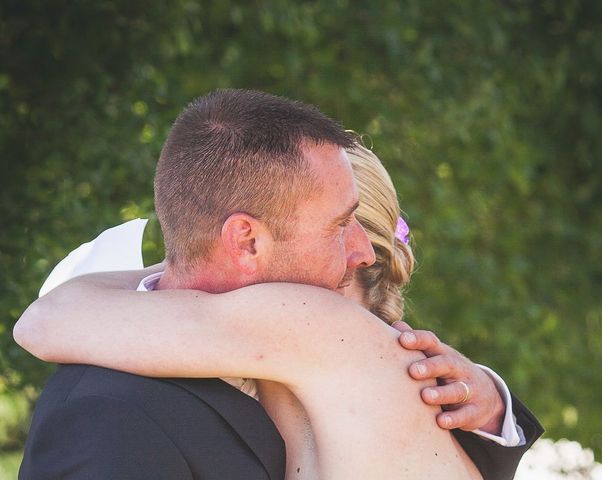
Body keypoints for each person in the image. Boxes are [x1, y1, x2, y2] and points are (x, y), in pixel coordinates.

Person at [16, 90, 542, 479]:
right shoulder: (106, 413)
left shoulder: (328, 335)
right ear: (245, 240)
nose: (361, 252)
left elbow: (41, 322)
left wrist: (493, 406)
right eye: (340, 226)